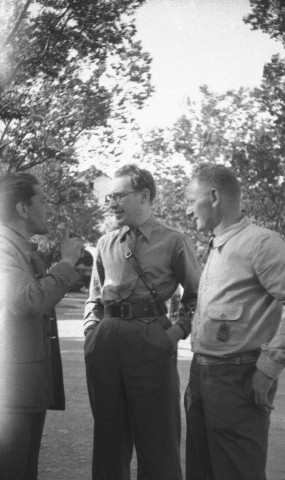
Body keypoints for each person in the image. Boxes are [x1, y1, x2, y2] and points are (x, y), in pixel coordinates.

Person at [184, 163, 285, 480]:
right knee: (202, 472)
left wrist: (268, 367)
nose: (188, 211)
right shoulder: (218, 246)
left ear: (213, 196)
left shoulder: (261, 243)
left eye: (191, 200)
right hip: (202, 375)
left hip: (238, 378)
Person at [84, 164, 201, 480]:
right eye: (109, 197)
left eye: (119, 196)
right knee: (108, 440)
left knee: (158, 441)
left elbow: (196, 295)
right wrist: (91, 333)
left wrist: (175, 333)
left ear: (145, 195)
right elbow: (94, 297)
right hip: (105, 343)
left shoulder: (174, 241)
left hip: (151, 339)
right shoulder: (106, 242)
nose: (111, 204)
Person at [0, 172, 82, 480]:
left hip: (23, 392)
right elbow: (27, 300)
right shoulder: (3, 249)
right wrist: (66, 263)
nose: (49, 209)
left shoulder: (20, 249)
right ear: (22, 209)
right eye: (43, 200)